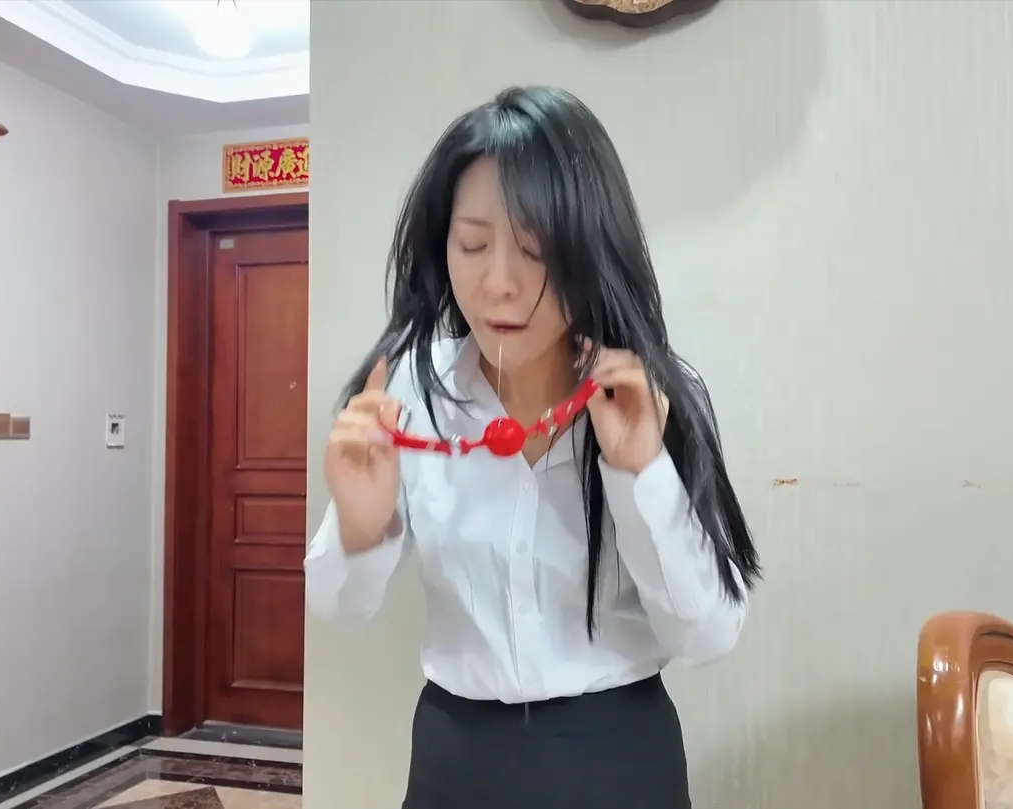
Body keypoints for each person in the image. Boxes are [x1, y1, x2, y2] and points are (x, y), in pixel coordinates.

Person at [305, 85, 761, 809]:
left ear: (590, 248)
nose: (498, 283)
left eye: (535, 248)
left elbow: (708, 635)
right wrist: (360, 529)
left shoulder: (651, 396)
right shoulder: (412, 395)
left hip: (618, 760)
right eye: (473, 244)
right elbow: (338, 608)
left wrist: (641, 473)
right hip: (455, 762)